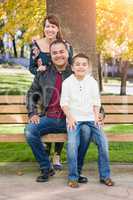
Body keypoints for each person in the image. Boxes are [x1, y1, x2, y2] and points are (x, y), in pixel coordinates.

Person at [25, 40, 89, 183]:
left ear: (67, 53)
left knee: (86, 131)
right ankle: (46, 167)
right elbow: (31, 94)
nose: (58, 55)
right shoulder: (43, 73)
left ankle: (77, 171)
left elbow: (91, 94)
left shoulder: (76, 71)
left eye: (61, 52)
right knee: (30, 130)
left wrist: (100, 113)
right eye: (55, 53)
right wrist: (32, 113)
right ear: (51, 55)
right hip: (50, 118)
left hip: (73, 119)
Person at [60, 53, 114, 188]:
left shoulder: (92, 82)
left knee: (103, 143)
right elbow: (64, 103)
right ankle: (73, 177)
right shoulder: (67, 82)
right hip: (74, 120)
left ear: (88, 67)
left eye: (84, 64)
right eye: (77, 64)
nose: (81, 67)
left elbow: (96, 102)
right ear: (72, 67)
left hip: (91, 118)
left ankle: (105, 176)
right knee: (72, 146)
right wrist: (70, 117)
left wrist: (96, 116)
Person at [29, 15, 73, 170]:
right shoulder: (36, 45)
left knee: (61, 112)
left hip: (62, 85)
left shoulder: (66, 45)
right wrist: (38, 70)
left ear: (57, 28)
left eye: (53, 26)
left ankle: (57, 154)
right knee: (47, 115)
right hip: (43, 87)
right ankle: (47, 154)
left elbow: (70, 66)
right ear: (44, 28)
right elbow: (31, 67)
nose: (50, 29)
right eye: (47, 26)